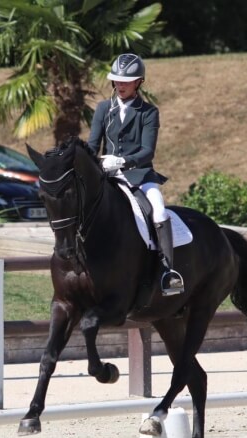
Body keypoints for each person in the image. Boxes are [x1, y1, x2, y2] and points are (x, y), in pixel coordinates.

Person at [87, 53, 183, 296]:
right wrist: (91, 162)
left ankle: (167, 272)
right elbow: (92, 145)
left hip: (140, 175)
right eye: (117, 81)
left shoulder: (148, 112)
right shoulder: (102, 109)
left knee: (159, 209)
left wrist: (123, 161)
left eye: (126, 81)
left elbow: (147, 151)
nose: (121, 85)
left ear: (138, 82)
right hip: (108, 176)